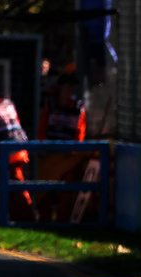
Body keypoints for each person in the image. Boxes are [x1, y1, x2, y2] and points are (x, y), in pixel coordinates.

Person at [37, 66, 87, 221]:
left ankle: (63, 220)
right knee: (46, 190)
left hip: (67, 156)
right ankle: (44, 219)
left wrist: (73, 150)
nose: (67, 92)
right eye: (65, 88)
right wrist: (43, 146)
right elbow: (42, 128)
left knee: (67, 190)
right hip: (50, 154)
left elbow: (80, 132)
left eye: (70, 88)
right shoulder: (50, 105)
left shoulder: (79, 108)